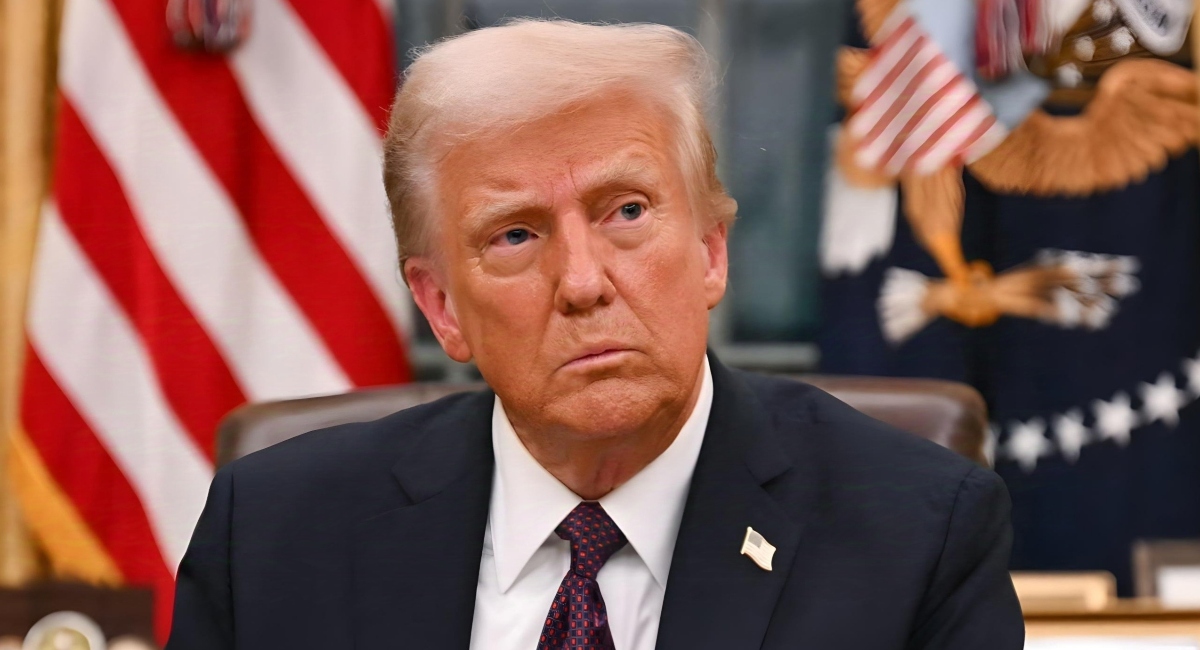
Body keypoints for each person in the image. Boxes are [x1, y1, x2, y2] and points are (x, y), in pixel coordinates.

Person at [165, 19, 1024, 650]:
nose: (582, 282)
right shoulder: (276, 538)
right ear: (441, 307)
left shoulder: (916, 534)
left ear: (711, 251)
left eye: (627, 212)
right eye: (515, 235)